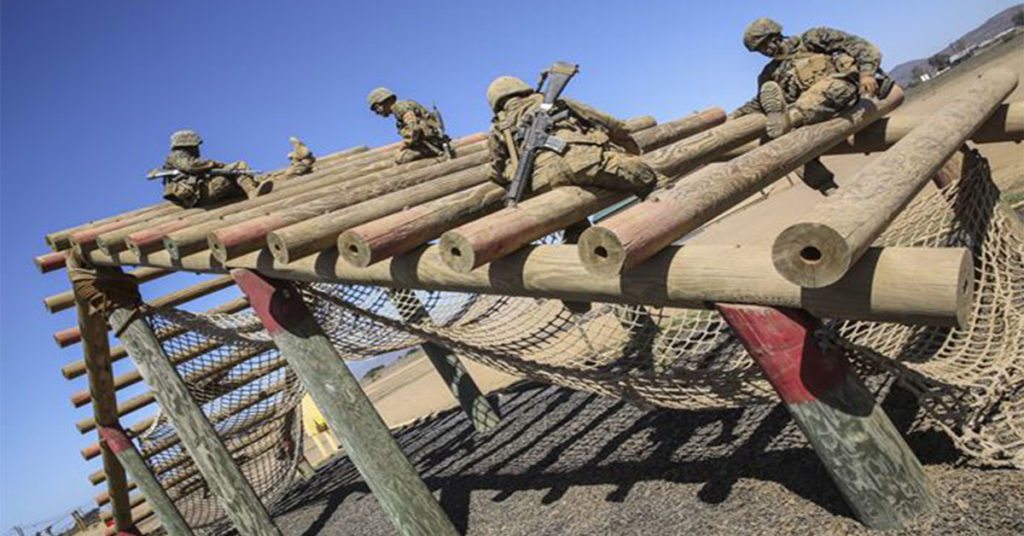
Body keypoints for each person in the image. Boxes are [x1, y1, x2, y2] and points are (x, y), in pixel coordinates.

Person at [484, 75, 658, 199]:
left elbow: (497, 170)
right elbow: (610, 123)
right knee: (652, 180)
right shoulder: (552, 101)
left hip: (543, 182)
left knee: (572, 220)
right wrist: (632, 151)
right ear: (521, 88)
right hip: (587, 162)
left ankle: (574, 235)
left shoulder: (499, 127)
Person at [730, 17, 893, 139]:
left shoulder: (812, 39)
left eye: (766, 45)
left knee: (828, 88)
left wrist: (866, 73)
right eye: (760, 50)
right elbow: (760, 102)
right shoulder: (771, 73)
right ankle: (825, 184)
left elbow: (859, 46)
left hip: (847, 93)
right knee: (786, 143)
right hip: (816, 117)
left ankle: (791, 118)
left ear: (776, 36)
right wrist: (735, 115)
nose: (765, 51)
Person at [157, 130, 271, 207]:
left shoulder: (180, 158)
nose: (197, 148)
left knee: (236, 183)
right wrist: (214, 164)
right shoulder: (176, 156)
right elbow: (191, 166)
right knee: (238, 166)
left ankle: (253, 187)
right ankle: (253, 192)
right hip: (200, 194)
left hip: (199, 194)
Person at [366, 87, 450, 164]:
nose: (377, 112)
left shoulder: (400, 108)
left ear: (382, 104)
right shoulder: (399, 110)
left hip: (432, 143)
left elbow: (414, 128)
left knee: (400, 158)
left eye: (376, 108)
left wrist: (405, 144)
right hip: (430, 141)